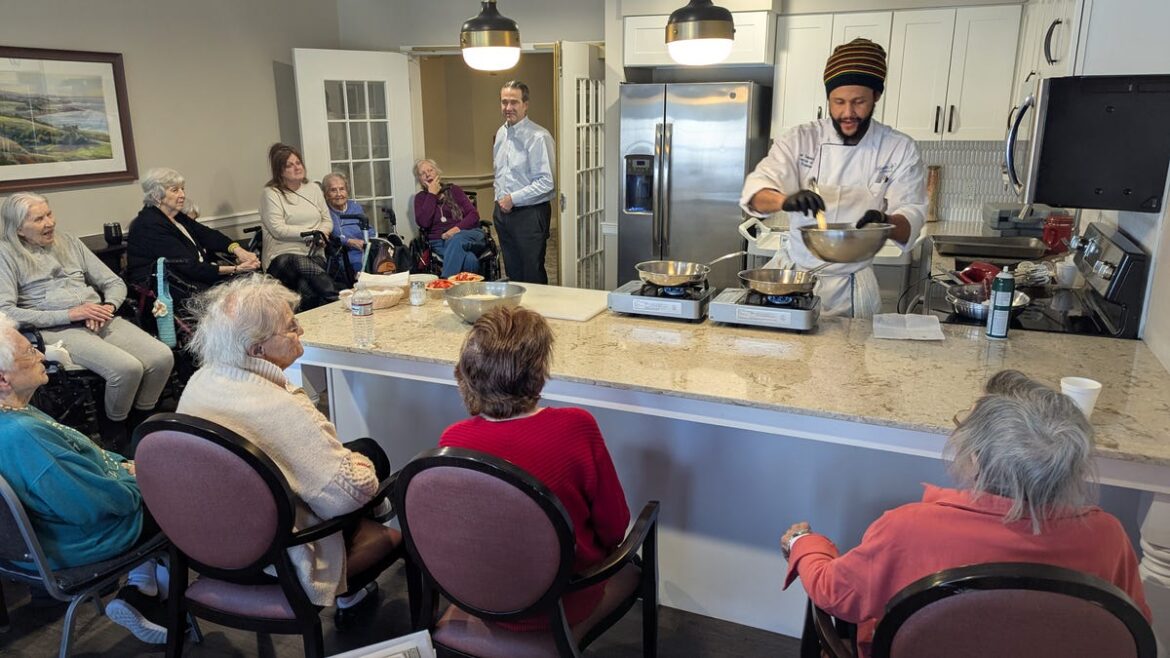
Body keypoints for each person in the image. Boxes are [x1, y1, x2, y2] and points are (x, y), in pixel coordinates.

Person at [779, 369, 1151, 657]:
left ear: (975, 459)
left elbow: (834, 593)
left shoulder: (907, 529)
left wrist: (805, 544)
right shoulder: (1108, 537)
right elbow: (1131, 628)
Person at [177, 275, 395, 612]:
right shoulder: (279, 405)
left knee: (355, 453)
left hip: (206, 544)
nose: (301, 332)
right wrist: (359, 465)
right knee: (371, 458)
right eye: (291, 327)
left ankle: (353, 587)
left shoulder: (200, 380)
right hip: (271, 558)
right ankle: (351, 591)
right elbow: (348, 496)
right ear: (256, 349)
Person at [439, 306, 630, 631]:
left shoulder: (452, 440)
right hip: (564, 601)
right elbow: (615, 527)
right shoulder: (577, 427)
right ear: (539, 372)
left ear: (471, 374)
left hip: (484, 600)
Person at [0, 312, 171, 644]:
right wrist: (139, 480)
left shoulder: (14, 413)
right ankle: (151, 599)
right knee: (179, 493)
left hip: (49, 540)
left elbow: (86, 462)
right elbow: (96, 506)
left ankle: (144, 585)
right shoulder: (22, 434)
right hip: (80, 542)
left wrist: (125, 466)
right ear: (3, 379)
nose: (41, 354)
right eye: (29, 353)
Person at [740, 39, 926, 318]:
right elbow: (755, 192)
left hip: (852, 288)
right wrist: (785, 200)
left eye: (858, 102)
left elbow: (911, 216)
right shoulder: (800, 139)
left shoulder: (898, 148)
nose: (847, 112)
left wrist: (886, 222)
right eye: (838, 102)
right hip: (794, 281)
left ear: (876, 96)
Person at [0, 193, 174, 444]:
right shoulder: (6, 254)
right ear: (18, 228)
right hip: (57, 328)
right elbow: (6, 310)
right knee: (127, 368)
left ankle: (141, 420)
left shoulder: (69, 241)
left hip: (99, 317)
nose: (50, 223)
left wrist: (107, 306)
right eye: (39, 219)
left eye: (49, 214)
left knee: (161, 357)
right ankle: (115, 429)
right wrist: (70, 314)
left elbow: (113, 282)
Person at [126, 167, 260, 313]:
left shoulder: (176, 217)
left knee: (254, 281)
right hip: (171, 289)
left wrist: (239, 250)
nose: (182, 195)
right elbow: (189, 266)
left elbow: (208, 235)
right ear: (157, 195)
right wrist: (235, 269)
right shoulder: (149, 225)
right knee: (243, 295)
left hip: (192, 279)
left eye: (183, 189)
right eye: (175, 190)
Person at [260, 143, 338, 309]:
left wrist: (321, 234)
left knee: (305, 286)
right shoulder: (271, 193)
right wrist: (312, 233)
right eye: (289, 165)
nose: (296, 167)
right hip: (281, 258)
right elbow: (278, 229)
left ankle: (315, 325)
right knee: (296, 261)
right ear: (280, 171)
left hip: (314, 254)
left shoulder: (313, 189)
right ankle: (335, 298)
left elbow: (327, 220)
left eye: (298, 163)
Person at [492, 80, 555, 284]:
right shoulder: (501, 133)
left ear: (525, 104)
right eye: (504, 102)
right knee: (512, 273)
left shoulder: (539, 136)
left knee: (532, 273)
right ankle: (516, 315)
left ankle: (537, 315)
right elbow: (499, 173)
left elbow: (547, 182)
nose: (508, 108)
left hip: (530, 215)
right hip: (503, 214)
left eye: (514, 102)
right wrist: (500, 200)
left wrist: (513, 199)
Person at [412, 159, 487, 278]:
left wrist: (456, 230)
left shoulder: (454, 190)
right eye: (422, 173)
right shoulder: (420, 198)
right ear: (419, 179)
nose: (427, 174)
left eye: (430, 170)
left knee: (456, 239)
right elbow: (424, 223)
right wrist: (431, 195)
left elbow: (473, 215)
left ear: (437, 172)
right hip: (440, 242)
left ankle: (444, 284)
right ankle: (469, 292)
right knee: (470, 260)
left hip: (468, 234)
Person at [321, 172, 368, 276]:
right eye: (333, 190)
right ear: (326, 194)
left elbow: (368, 228)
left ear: (347, 191)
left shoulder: (355, 207)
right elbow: (332, 234)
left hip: (364, 250)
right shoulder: (325, 211)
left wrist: (371, 240)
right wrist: (348, 241)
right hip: (344, 255)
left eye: (342, 189)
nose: (339, 194)